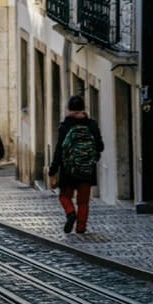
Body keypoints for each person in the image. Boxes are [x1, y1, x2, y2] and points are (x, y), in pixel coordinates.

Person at [48, 95, 104, 234]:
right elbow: (100, 146)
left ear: (69, 109)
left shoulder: (65, 125)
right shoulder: (92, 125)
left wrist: (52, 170)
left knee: (64, 196)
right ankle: (81, 228)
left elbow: (59, 150)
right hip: (87, 170)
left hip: (68, 170)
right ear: (83, 108)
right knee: (83, 201)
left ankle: (70, 212)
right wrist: (91, 158)